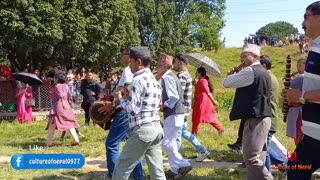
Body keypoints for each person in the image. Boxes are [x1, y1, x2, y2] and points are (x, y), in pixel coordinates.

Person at [110, 47, 166, 180]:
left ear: (138, 62)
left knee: (121, 169)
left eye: (131, 62)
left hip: (142, 130)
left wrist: (120, 99)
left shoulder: (138, 80)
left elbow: (133, 109)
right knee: (157, 172)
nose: (129, 65)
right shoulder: (153, 80)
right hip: (156, 128)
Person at [223, 44, 273, 180]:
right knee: (259, 158)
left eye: (245, 56)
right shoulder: (264, 72)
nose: (242, 59)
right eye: (241, 56)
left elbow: (226, 83)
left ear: (255, 56)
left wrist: (231, 74)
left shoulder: (250, 71)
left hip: (254, 118)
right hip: (263, 117)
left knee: (250, 158)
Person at [282, 2, 320, 179]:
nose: (302, 22)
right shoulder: (314, 47)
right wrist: (296, 97)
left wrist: (302, 96)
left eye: (306, 17)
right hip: (312, 134)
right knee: (296, 169)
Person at [98, 47, 144, 180]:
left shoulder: (128, 70)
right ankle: (138, 176)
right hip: (132, 112)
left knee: (111, 145)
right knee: (133, 146)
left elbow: (128, 90)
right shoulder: (135, 71)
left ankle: (114, 176)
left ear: (129, 56)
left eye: (122, 54)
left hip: (124, 112)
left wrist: (113, 104)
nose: (120, 57)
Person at [157, 54, 192, 179]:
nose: (157, 68)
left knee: (166, 142)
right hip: (177, 114)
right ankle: (177, 169)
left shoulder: (168, 78)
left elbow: (174, 97)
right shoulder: (171, 76)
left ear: (165, 67)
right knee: (170, 142)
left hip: (174, 114)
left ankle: (184, 164)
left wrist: (163, 105)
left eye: (159, 65)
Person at [173, 54, 210, 162]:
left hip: (180, 110)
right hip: (186, 110)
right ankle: (202, 150)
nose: (174, 65)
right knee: (183, 132)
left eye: (175, 62)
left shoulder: (182, 76)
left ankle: (179, 161)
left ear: (180, 62)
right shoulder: (187, 75)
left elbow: (178, 94)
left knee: (177, 135)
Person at [43, 72, 80, 147]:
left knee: (52, 123)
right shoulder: (66, 86)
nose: (54, 79)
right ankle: (76, 140)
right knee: (69, 123)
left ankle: (48, 142)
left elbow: (61, 94)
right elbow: (70, 96)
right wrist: (68, 104)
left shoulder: (57, 86)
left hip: (58, 107)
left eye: (55, 78)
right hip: (66, 106)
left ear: (57, 79)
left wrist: (62, 101)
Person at [260, 55, 280, 172]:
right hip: (270, 118)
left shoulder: (267, 78)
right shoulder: (270, 77)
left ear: (263, 66)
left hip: (269, 119)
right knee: (264, 148)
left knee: (264, 152)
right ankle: (284, 163)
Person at [192, 67, 224, 136]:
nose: (195, 73)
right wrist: (195, 84)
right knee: (206, 117)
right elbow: (199, 89)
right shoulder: (200, 80)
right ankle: (220, 129)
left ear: (199, 73)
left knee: (196, 117)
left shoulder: (202, 81)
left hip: (201, 102)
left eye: (196, 72)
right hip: (201, 101)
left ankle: (193, 134)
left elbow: (207, 91)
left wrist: (213, 101)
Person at [286, 58, 306, 145]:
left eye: (300, 65)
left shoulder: (301, 77)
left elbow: (286, 89)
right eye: (297, 65)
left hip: (298, 112)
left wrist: (288, 79)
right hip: (303, 110)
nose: (298, 68)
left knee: (299, 137)